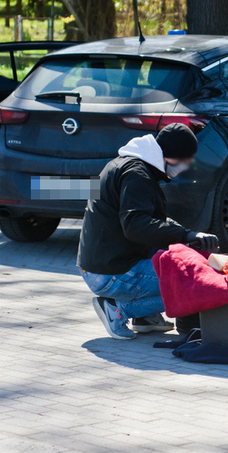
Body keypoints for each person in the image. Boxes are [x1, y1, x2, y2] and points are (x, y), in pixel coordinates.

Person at [77, 123, 220, 340]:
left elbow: (151, 220)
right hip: (110, 272)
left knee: (174, 262)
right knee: (190, 282)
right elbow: (136, 225)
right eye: (186, 160)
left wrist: (187, 234)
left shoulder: (129, 165)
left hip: (102, 264)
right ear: (170, 155)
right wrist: (186, 236)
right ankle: (117, 309)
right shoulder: (137, 175)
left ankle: (145, 317)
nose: (187, 165)